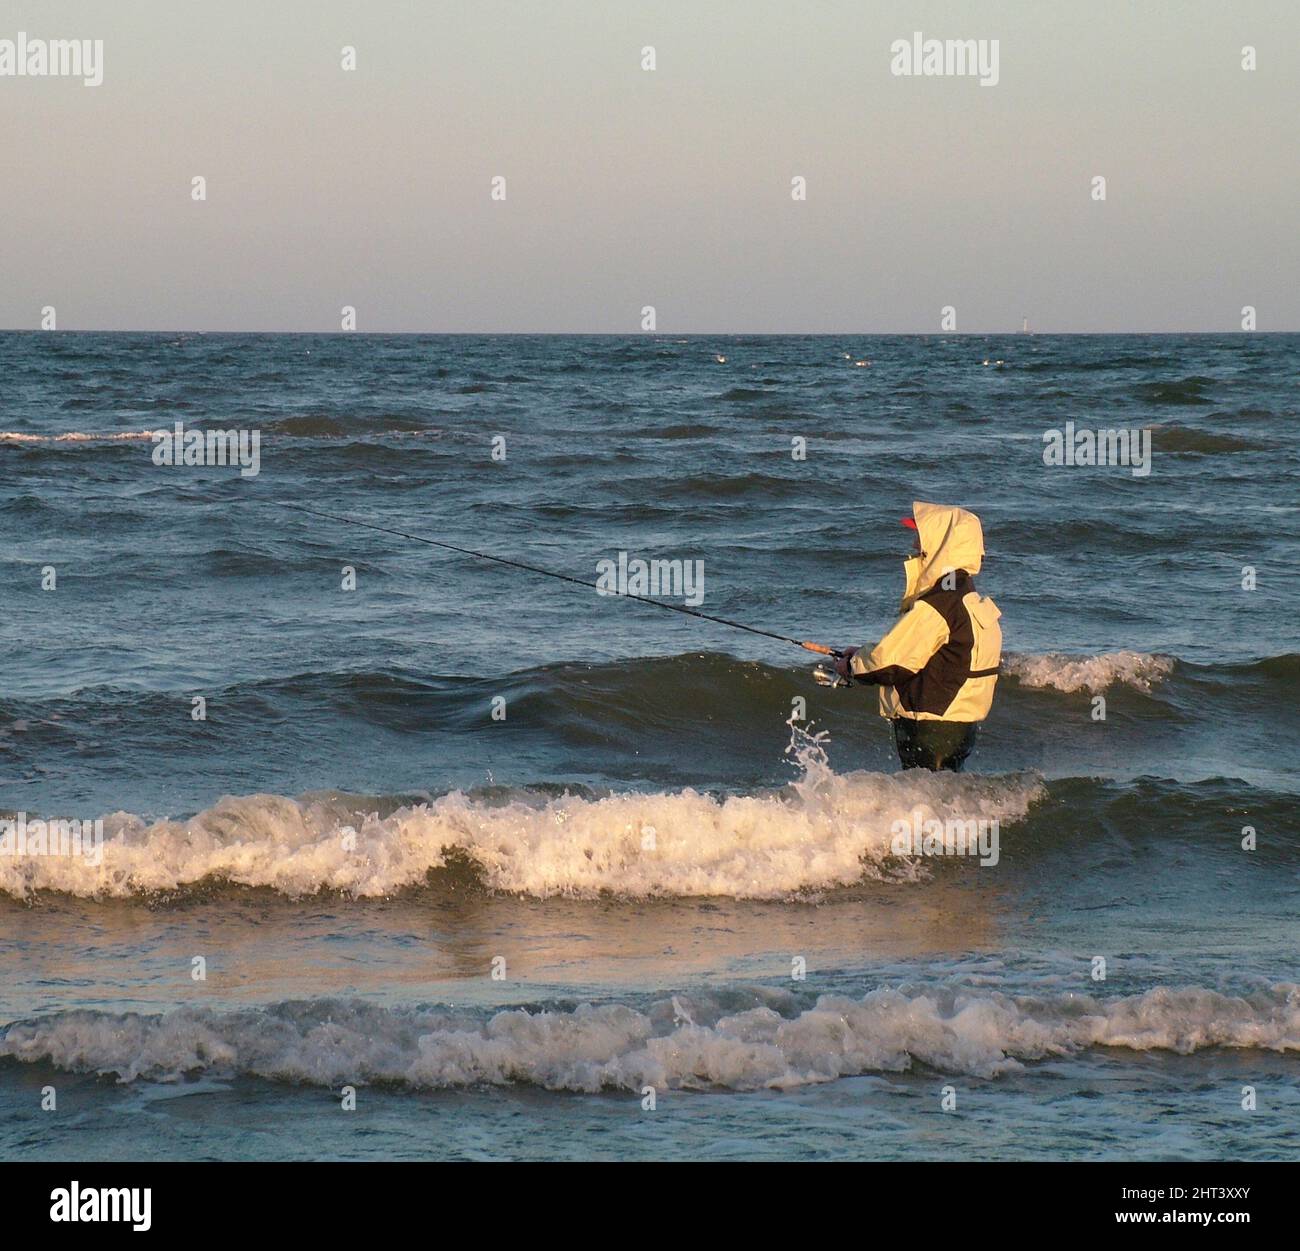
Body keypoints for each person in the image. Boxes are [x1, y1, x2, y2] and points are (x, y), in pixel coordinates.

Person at [832, 501, 1001, 771]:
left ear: (942, 546)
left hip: (930, 727)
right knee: (942, 798)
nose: (914, 547)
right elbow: (929, 654)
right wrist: (863, 653)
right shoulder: (966, 597)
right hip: (961, 726)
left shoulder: (939, 604)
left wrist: (851, 666)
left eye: (920, 539)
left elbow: (891, 662)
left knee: (924, 802)